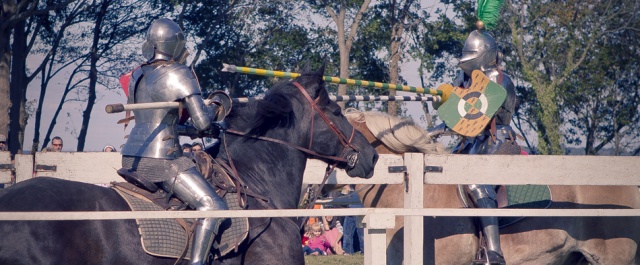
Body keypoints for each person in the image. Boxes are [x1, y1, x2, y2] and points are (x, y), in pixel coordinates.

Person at [119, 18, 227, 265]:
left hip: (133, 154)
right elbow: (203, 123)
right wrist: (215, 107)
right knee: (213, 205)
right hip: (164, 159)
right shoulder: (179, 73)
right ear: (175, 44)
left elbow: (157, 121)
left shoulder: (137, 74)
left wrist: (189, 129)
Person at [436, 29, 518, 265]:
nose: (466, 59)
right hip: (471, 142)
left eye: (470, 53)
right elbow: (457, 114)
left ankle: (494, 252)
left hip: (497, 139)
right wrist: (440, 106)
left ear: (485, 54)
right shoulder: (465, 80)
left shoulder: (500, 81)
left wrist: (450, 120)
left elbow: (478, 116)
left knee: (477, 182)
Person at [340, 185, 364, 255]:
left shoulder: (361, 185)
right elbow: (343, 197)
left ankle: (364, 251)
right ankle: (348, 251)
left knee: (362, 234)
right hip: (350, 212)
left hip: (360, 212)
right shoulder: (348, 186)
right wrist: (346, 190)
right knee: (347, 233)